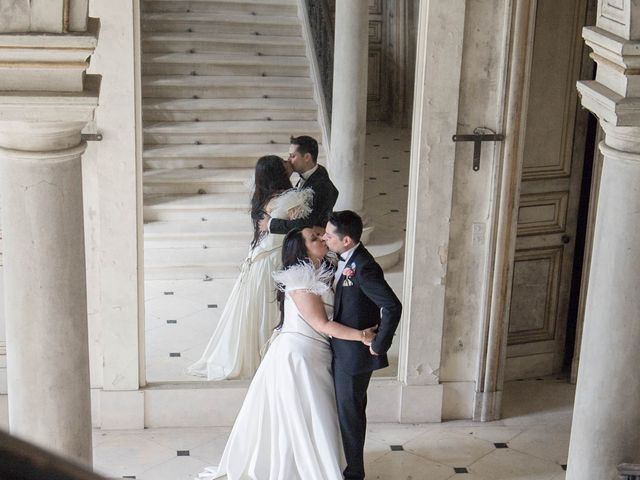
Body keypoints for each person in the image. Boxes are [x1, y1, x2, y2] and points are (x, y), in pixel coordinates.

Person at [197, 227, 376, 480]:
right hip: (300, 354)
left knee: (317, 414)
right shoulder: (300, 280)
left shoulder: (326, 271)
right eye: (314, 238)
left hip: (319, 352)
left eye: (320, 234)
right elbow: (322, 324)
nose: (322, 238)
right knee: (303, 414)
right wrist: (362, 335)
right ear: (302, 249)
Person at [187, 155, 313, 380]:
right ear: (278, 174)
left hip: (263, 257)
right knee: (267, 306)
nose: (289, 164)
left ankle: (264, 354)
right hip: (268, 260)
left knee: (261, 306)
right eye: (284, 164)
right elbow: (297, 229)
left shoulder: (266, 197)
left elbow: (293, 227)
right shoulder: (289, 198)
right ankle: (265, 356)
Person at [323, 210, 402, 480]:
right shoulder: (344, 259)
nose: (325, 237)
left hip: (354, 357)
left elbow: (392, 306)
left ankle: (354, 474)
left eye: (329, 235)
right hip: (342, 351)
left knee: (351, 416)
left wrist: (379, 344)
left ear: (346, 241)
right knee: (348, 412)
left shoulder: (364, 267)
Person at [258, 135, 338, 234]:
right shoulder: (315, 173)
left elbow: (308, 223)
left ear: (307, 157)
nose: (289, 160)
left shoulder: (322, 185)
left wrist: (271, 224)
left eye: (293, 156)